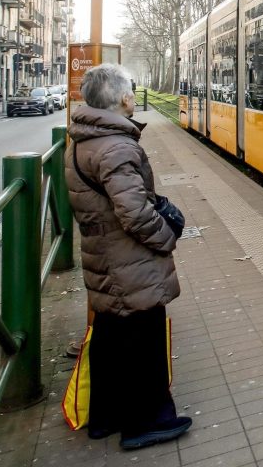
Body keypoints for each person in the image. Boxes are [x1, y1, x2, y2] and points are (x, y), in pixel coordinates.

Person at [65, 63, 191, 450]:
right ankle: (146, 422)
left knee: (110, 335)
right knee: (144, 335)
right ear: (122, 98)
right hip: (128, 261)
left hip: (103, 255)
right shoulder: (116, 145)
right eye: (132, 91)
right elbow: (134, 212)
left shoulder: (83, 140)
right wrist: (166, 235)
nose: (135, 97)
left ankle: (104, 417)